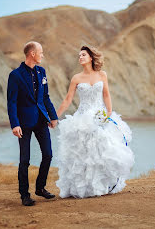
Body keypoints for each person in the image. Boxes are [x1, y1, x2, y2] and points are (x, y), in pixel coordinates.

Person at [56, 45, 134, 198]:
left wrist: (109, 112)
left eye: (83, 55)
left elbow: (106, 94)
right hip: (82, 118)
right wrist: (55, 116)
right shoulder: (76, 78)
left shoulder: (102, 74)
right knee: (82, 154)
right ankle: (84, 188)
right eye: (79, 56)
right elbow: (67, 100)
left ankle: (103, 185)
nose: (80, 57)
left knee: (102, 151)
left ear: (91, 57)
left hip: (100, 115)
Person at [7, 41, 58, 206]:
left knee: (48, 154)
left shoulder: (42, 72)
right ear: (32, 54)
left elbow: (45, 97)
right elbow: (12, 102)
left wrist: (53, 116)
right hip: (24, 123)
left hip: (42, 120)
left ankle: (40, 188)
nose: (42, 55)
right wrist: (15, 124)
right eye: (41, 52)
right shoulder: (15, 75)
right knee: (25, 160)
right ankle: (24, 195)